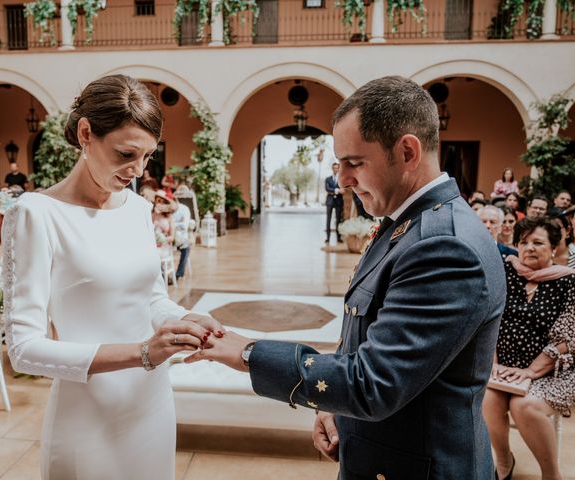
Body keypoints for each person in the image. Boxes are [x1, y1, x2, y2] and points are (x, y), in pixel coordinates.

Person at [188, 76, 507, 480]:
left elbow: (373, 383)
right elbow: (365, 339)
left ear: (407, 151)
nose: (342, 180)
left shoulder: (444, 247)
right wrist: (332, 406)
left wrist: (247, 353)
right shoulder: (404, 224)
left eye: (354, 163)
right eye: (339, 164)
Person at [2, 74, 223, 480]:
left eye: (147, 157)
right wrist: (141, 353)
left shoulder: (137, 209)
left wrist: (184, 318)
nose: (136, 170)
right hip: (87, 416)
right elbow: (24, 349)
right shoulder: (36, 213)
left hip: (151, 403)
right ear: (86, 133)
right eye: (125, 154)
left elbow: (151, 298)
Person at [484, 217, 575, 480]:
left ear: (555, 248)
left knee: (525, 406)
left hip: (553, 371)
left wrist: (532, 371)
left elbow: (569, 336)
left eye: (538, 242)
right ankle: (504, 462)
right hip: (502, 367)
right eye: (524, 242)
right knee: (489, 399)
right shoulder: (504, 272)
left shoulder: (568, 282)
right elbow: (487, 319)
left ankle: (551, 474)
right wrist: (493, 362)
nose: (530, 248)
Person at [172, 198, 192, 280]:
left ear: (176, 202)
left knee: (186, 248)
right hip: (169, 238)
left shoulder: (184, 209)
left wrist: (172, 225)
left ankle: (179, 273)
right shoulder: (166, 210)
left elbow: (184, 226)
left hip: (182, 237)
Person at [325, 162, 343, 243]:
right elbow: (327, 189)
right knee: (328, 219)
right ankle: (328, 238)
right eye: (334, 168)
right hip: (329, 202)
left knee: (338, 219)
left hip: (339, 201)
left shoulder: (341, 179)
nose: (335, 169)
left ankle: (338, 238)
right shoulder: (327, 179)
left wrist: (333, 191)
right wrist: (337, 190)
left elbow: (343, 190)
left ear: (339, 169)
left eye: (337, 168)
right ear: (332, 169)